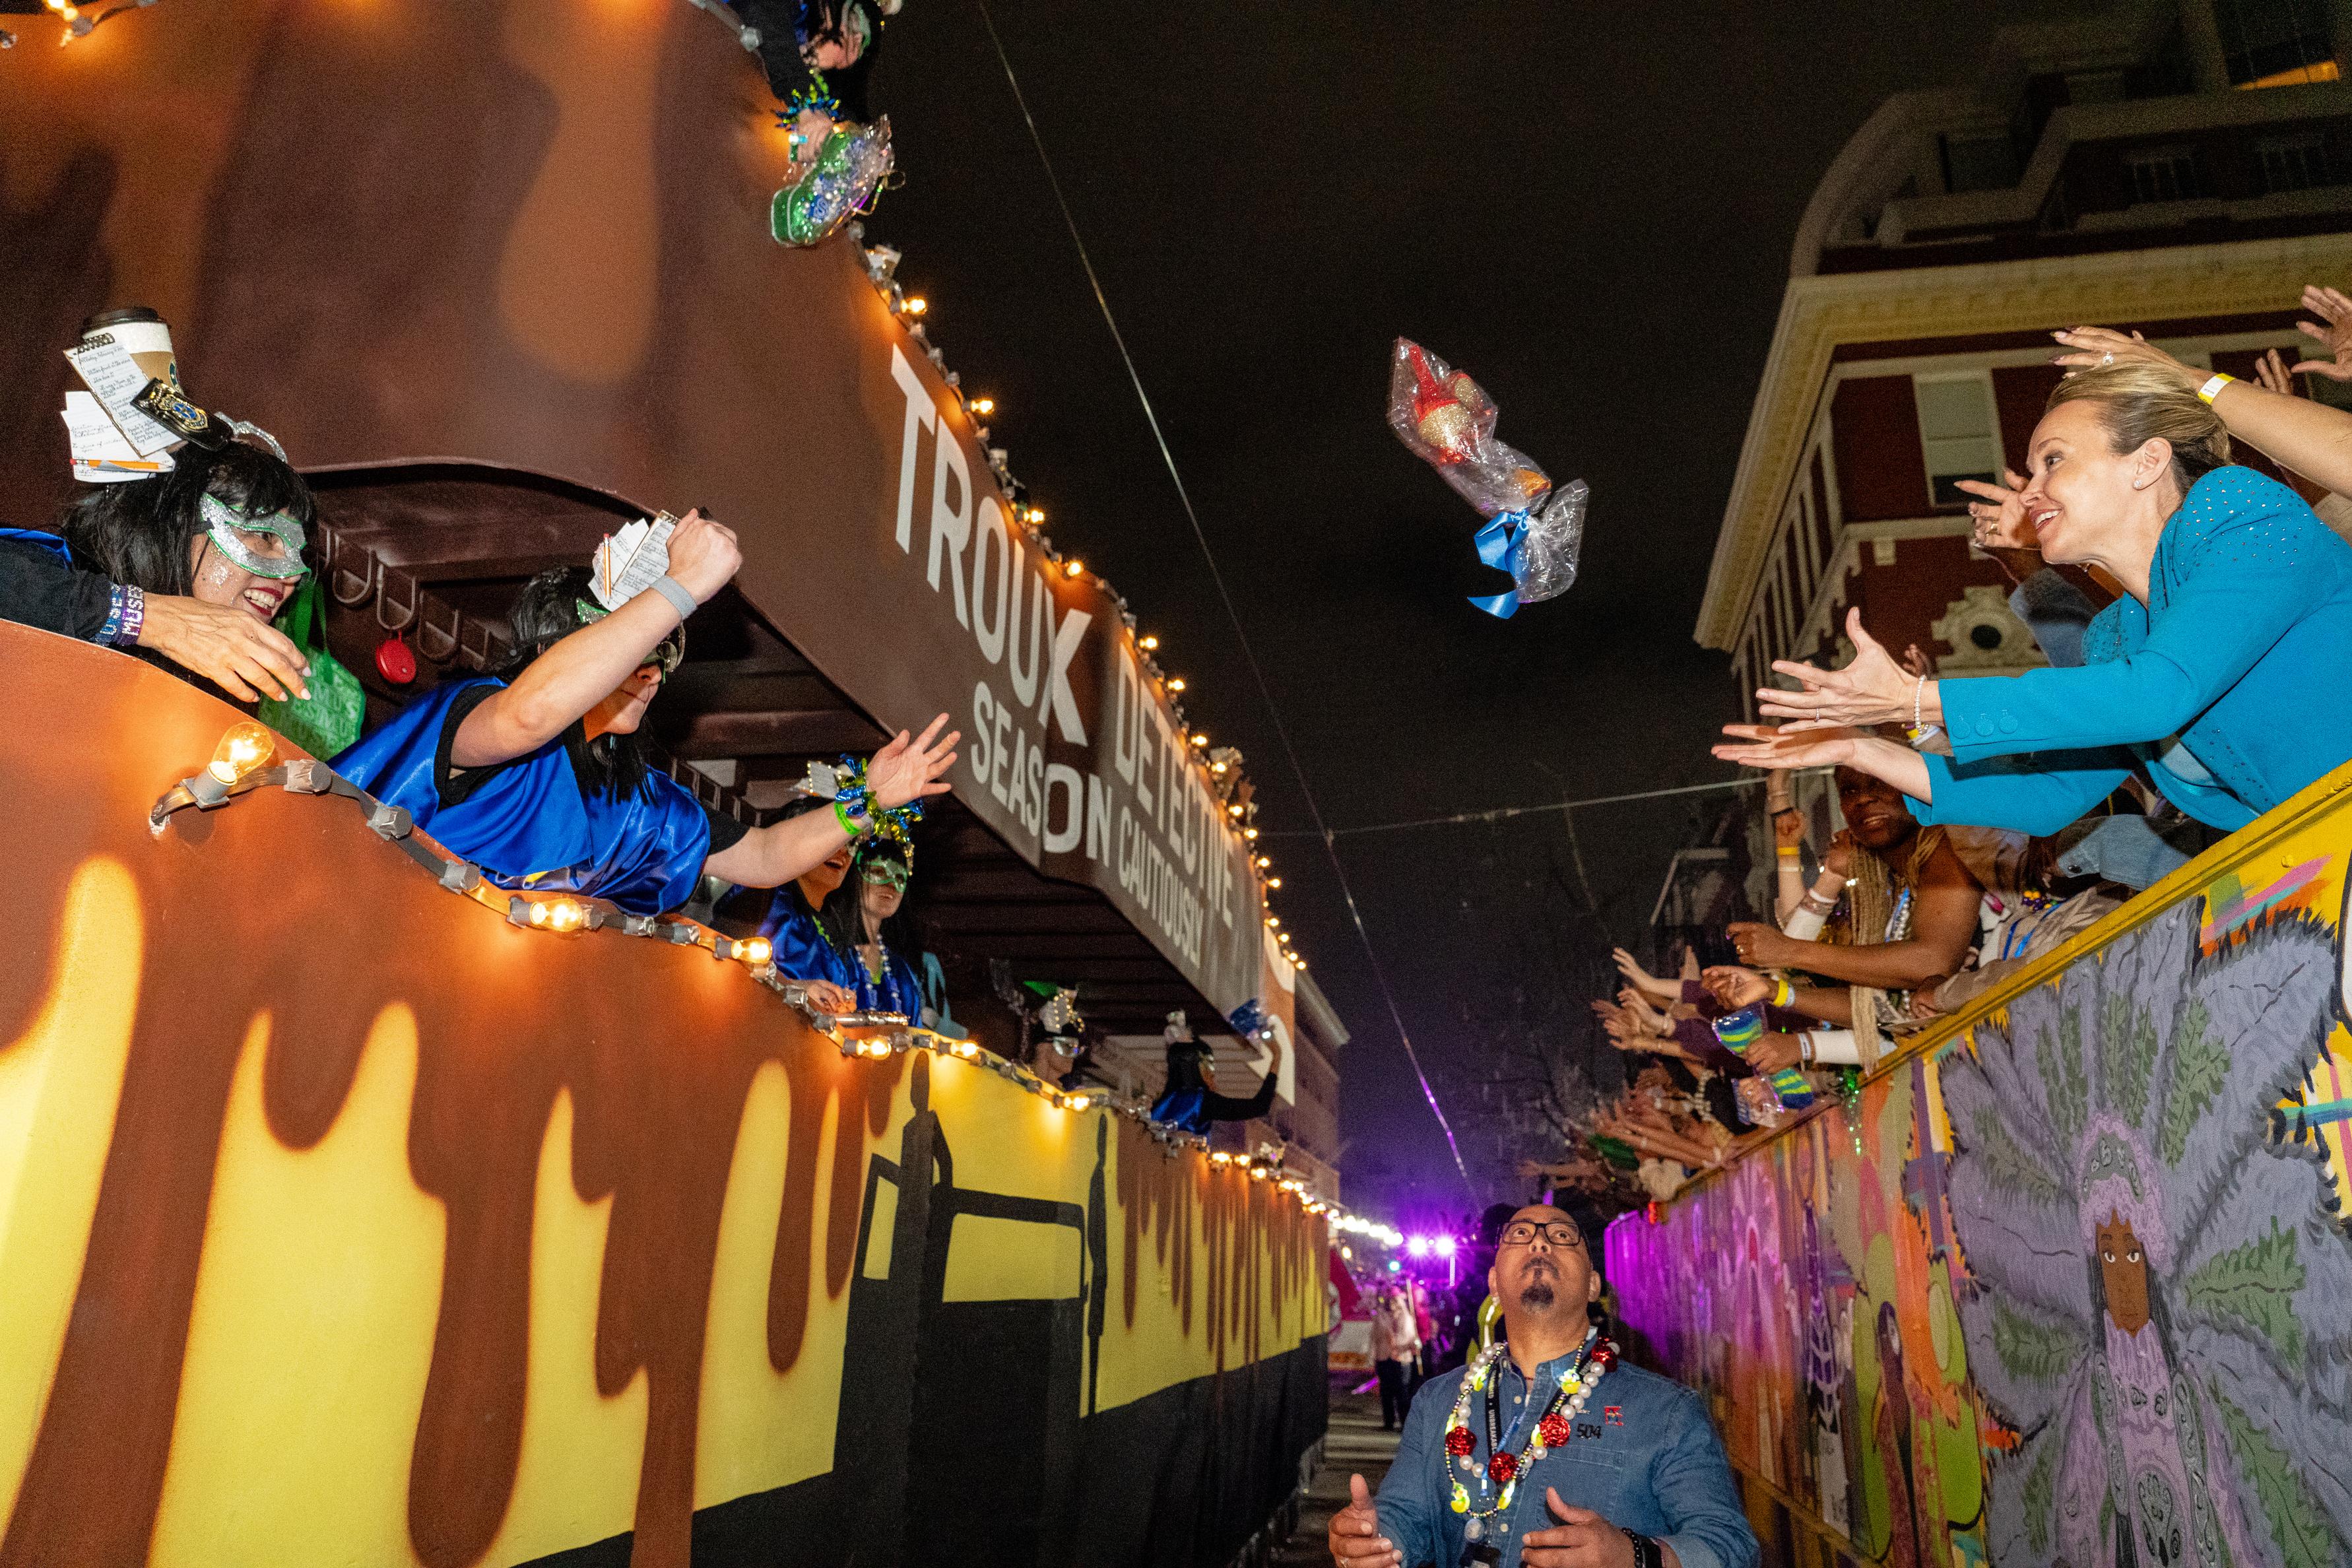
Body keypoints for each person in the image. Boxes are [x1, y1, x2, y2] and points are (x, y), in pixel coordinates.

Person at [1717, 360, 2352, 835]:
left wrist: (1916, 696)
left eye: (2054, 461)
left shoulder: (2237, 508)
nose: (2029, 494)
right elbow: (2047, 797)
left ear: (2146, 462)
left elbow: (2159, 694)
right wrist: (1863, 746)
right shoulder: (2114, 638)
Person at [334, 509, 959, 920]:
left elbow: (767, 857)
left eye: (664, 657)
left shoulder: (648, 807)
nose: (654, 671)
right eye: (636, 649)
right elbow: (529, 716)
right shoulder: (479, 719)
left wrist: (870, 802)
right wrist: (681, 589)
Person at [1330, 1204, 1758, 1568]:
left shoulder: (1667, 1411)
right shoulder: (1438, 1399)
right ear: (1495, 1281)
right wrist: (1373, 1540)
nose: (1539, 1243)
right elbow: (1407, 1516)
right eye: (1520, 1234)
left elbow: (1732, 1546)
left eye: (1561, 1236)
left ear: (1593, 1285)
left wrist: (1635, 1555)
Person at [2, 440, 315, 703]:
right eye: (264, 536)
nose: (293, 576)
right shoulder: (47, 567)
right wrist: (144, 618)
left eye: (298, 554)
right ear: (176, 524)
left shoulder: (202, 693)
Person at [754, 806, 862, 1014]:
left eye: (850, 842)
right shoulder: (762, 895)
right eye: (831, 841)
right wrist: (792, 988)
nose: (843, 852)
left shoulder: (834, 923)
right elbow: (725, 961)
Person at [1150, 1010, 1277, 1136]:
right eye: (1208, 1065)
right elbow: (1260, 1106)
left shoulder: (1162, 1105)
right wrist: (1277, 1057)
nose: (1212, 1073)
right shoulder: (1202, 1103)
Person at [844, 837, 923, 1014]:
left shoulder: (901, 973)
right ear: (855, 877)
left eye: (899, 878)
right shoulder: (834, 954)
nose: (891, 886)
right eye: (879, 872)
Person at [1371, 1285, 1421, 1432]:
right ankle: (1389, 1422)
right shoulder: (1380, 1317)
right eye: (1390, 1300)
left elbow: (1412, 1339)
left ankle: (1405, 1423)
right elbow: (1375, 1337)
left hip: (1401, 1359)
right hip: (1384, 1357)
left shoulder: (1406, 1318)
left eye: (1395, 1300)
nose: (1392, 1304)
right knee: (1386, 1392)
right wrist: (1373, 1356)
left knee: (1402, 1392)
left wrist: (1398, 1347)